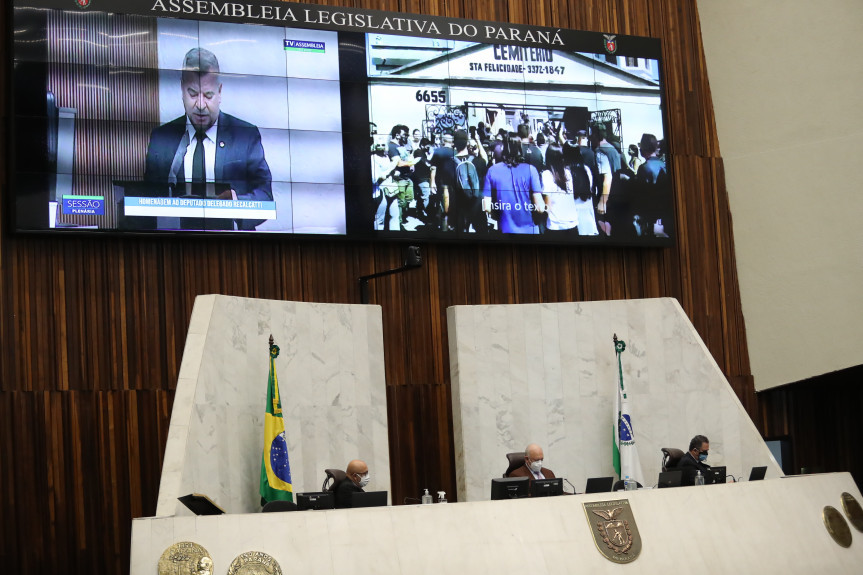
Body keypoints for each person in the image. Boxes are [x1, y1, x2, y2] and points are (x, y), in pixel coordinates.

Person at [144, 47, 272, 230]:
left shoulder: (245, 135)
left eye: (208, 95)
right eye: (193, 94)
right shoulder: (161, 138)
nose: (201, 105)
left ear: (219, 92)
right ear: (181, 89)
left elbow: (265, 197)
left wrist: (235, 203)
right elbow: (147, 200)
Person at [482, 133, 544, 234]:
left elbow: (487, 207)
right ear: (520, 149)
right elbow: (540, 208)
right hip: (530, 231)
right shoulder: (531, 170)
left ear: (503, 148)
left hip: (505, 230)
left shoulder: (492, 171)